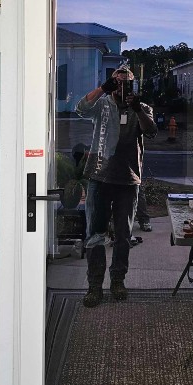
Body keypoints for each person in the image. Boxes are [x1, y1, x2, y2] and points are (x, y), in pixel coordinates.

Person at [76, 64, 158, 307]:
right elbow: (80, 108)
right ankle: (94, 286)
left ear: (133, 85)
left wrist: (136, 108)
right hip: (99, 178)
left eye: (126, 82)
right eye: (117, 82)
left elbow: (151, 131)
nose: (121, 86)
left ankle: (118, 281)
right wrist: (102, 88)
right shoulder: (101, 104)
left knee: (123, 235)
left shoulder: (141, 107)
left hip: (128, 178)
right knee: (95, 235)